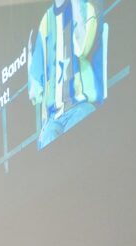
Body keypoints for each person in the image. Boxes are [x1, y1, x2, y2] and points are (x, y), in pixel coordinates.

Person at [28, 0, 104, 149]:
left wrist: (76, 5)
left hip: (81, 105)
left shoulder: (85, 6)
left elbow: (83, 47)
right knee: (46, 144)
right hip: (53, 119)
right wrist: (29, 59)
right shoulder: (46, 22)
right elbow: (35, 90)